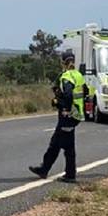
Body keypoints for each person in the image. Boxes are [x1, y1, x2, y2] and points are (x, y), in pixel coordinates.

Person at [30, 51, 87, 183]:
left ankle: (70, 175)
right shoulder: (78, 75)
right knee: (56, 143)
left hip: (68, 115)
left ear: (62, 62)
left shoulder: (66, 77)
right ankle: (44, 169)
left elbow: (67, 95)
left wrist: (59, 103)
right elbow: (86, 91)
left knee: (68, 147)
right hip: (76, 114)